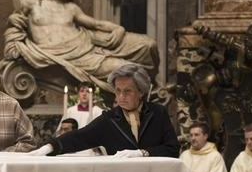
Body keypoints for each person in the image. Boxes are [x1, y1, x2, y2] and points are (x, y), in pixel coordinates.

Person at [2, 0, 158, 92]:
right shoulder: (31, 1)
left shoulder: (71, 8)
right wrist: (13, 41)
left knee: (146, 46)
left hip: (85, 51)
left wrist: (119, 29)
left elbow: (96, 24)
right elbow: (15, 24)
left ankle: (150, 93)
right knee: (126, 69)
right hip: (56, 54)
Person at [30, 64, 179, 158]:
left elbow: (172, 148)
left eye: (127, 91)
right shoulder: (109, 119)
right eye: (118, 91)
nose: (121, 97)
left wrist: (143, 153)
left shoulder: (158, 113)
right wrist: (50, 147)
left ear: (141, 92)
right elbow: (80, 137)